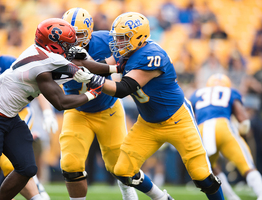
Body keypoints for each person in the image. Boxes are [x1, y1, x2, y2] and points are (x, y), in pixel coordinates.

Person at [73, 12, 224, 200]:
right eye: (117, 37)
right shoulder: (129, 51)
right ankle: (161, 198)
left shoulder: (152, 55)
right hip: (148, 123)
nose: (117, 42)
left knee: (202, 175)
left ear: (139, 37)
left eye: (122, 38)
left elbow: (123, 89)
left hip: (177, 119)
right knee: (123, 171)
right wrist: (78, 64)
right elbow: (103, 65)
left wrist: (92, 79)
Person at [0, 18, 103, 200]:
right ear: (52, 45)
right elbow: (60, 102)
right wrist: (92, 93)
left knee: (27, 168)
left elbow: (76, 67)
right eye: (65, 45)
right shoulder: (40, 64)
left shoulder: (41, 57)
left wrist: (115, 69)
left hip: (9, 116)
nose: (69, 49)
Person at [60, 7, 139, 200]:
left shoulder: (106, 40)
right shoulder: (55, 49)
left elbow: (130, 54)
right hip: (77, 110)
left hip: (108, 108)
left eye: (77, 34)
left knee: (120, 166)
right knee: (70, 164)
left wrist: (105, 64)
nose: (73, 40)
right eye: (68, 35)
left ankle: (129, 194)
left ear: (88, 32)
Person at [0, 31, 56, 200]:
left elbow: (40, 85)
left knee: (13, 160)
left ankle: (36, 193)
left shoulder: (8, 62)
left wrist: (47, 112)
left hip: (18, 112)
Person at [189, 73, 262, 200]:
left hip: (201, 129)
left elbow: (191, 119)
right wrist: (242, 132)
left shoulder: (196, 94)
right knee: (247, 165)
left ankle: (232, 198)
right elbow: (243, 120)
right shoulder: (230, 91)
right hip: (223, 126)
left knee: (211, 168)